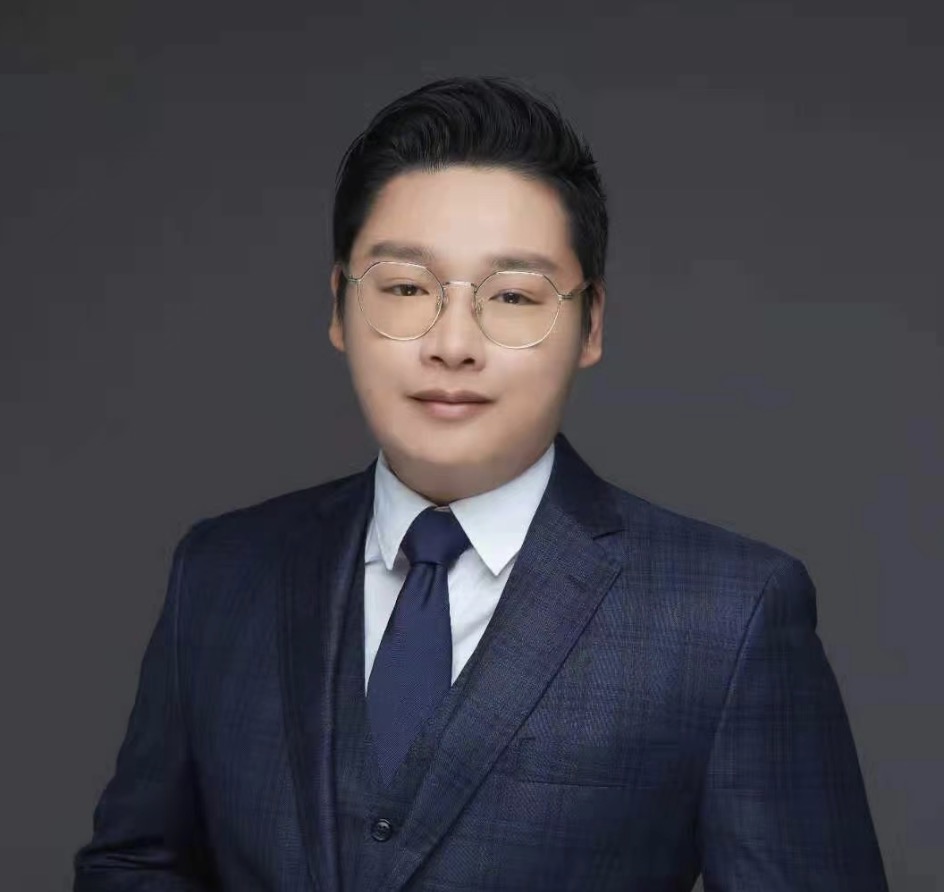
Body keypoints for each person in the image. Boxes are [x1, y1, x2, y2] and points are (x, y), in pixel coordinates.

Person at [74, 76, 888, 891]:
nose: (453, 343)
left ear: (591, 323)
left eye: (513, 296)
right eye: (405, 287)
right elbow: (136, 864)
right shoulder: (222, 574)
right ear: (338, 306)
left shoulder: (727, 615)